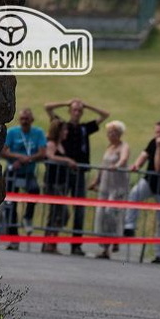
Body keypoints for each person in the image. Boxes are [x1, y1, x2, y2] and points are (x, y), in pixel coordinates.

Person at [44, 98, 110, 256]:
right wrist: (67, 103)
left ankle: (76, 245)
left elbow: (105, 115)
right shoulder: (62, 125)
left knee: (79, 209)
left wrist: (87, 105)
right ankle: (50, 241)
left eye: (80, 110)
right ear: (69, 111)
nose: (77, 112)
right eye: (74, 109)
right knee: (58, 208)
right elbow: (48, 107)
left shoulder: (84, 128)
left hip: (79, 173)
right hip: (63, 173)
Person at [123, 121, 160, 264]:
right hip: (149, 182)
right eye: (157, 133)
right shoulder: (152, 142)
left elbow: (159, 168)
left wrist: (159, 149)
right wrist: (137, 165)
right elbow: (144, 155)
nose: (158, 136)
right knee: (134, 193)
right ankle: (129, 226)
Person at [0, 108, 47, 250]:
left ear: (32, 120)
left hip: (28, 172)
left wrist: (29, 158)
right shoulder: (13, 132)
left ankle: (28, 216)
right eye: (22, 119)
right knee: (10, 206)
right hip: (13, 172)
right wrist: (17, 157)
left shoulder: (38, 133)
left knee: (34, 190)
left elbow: (42, 152)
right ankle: (14, 239)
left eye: (27, 119)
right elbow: (4, 151)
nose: (24, 121)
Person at [88, 120, 130, 259]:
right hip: (105, 186)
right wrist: (96, 181)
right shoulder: (109, 147)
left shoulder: (124, 146)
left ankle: (115, 240)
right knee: (102, 214)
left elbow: (124, 159)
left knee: (112, 213)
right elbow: (102, 165)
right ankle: (105, 247)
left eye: (114, 132)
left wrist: (117, 165)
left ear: (119, 134)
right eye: (109, 132)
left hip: (117, 186)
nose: (111, 135)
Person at [42, 119, 78, 254]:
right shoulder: (52, 144)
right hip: (53, 183)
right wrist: (67, 160)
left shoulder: (62, 145)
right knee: (57, 212)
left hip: (61, 183)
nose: (66, 132)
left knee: (60, 214)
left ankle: (52, 241)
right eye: (64, 130)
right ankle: (48, 242)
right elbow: (50, 156)